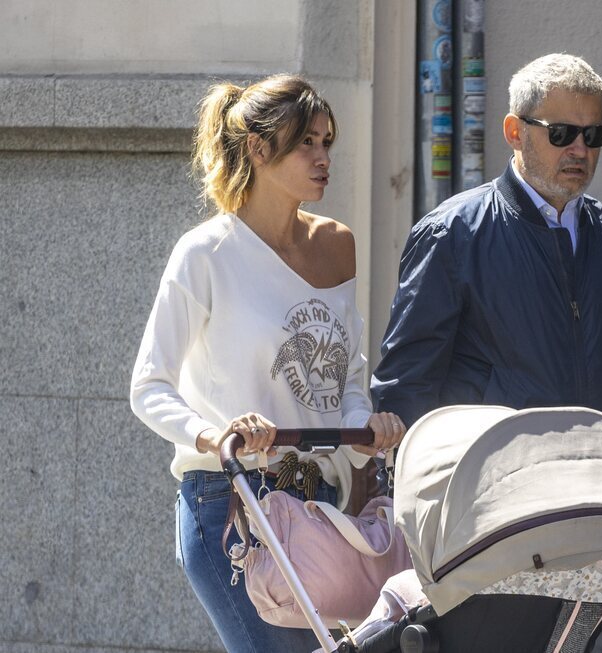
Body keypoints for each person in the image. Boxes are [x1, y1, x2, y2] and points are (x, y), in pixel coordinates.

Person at [130, 74, 405, 653]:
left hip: (321, 508)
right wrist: (214, 433)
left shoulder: (337, 246)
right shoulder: (206, 253)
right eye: (307, 142)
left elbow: (345, 378)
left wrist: (367, 430)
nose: (324, 156)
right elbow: (149, 386)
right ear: (258, 148)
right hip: (232, 503)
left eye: (328, 141)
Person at [371, 54, 602, 512]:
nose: (580, 150)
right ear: (515, 132)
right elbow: (405, 391)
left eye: (594, 135)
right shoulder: (453, 233)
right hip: (494, 518)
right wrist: (426, 520)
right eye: (561, 134)